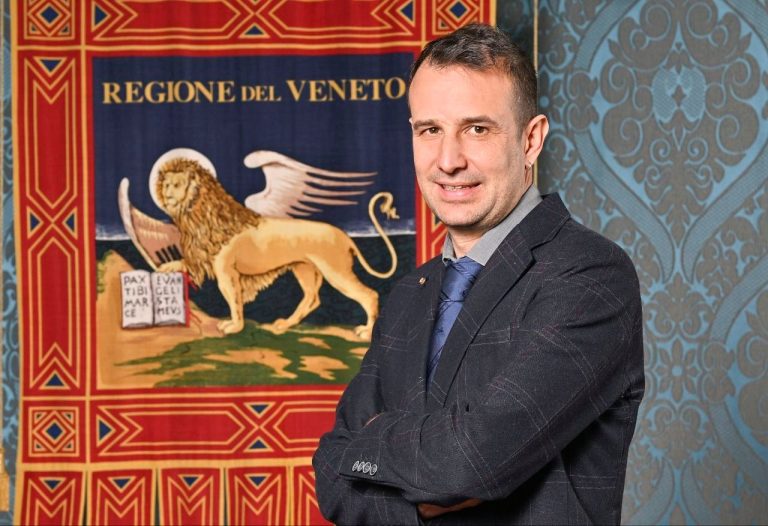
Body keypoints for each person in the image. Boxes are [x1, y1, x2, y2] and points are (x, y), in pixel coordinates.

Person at [312, 23, 644, 525]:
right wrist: (424, 489)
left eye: (477, 129)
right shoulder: (406, 295)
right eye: (430, 130)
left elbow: (471, 464)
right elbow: (331, 474)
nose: (449, 161)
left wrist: (374, 441)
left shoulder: (589, 275)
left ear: (531, 140)